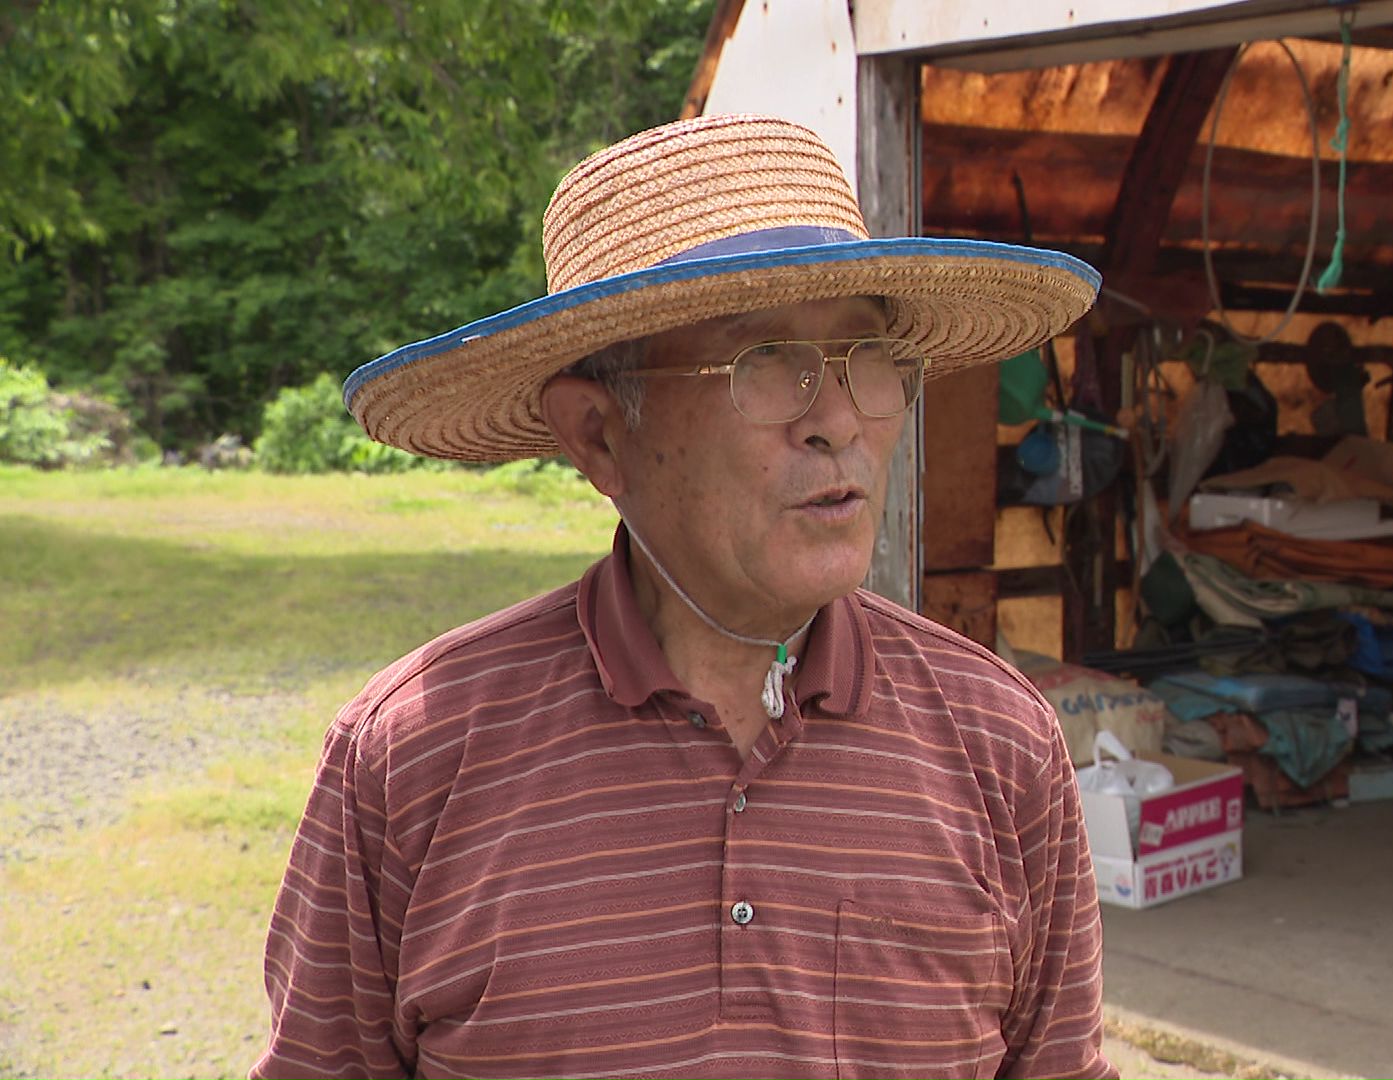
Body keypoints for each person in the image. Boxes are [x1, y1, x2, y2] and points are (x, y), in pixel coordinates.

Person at [252, 114, 1114, 1080]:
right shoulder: (413, 758)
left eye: (869, 359)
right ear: (598, 436)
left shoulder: (1000, 743)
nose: (837, 420)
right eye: (765, 363)